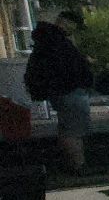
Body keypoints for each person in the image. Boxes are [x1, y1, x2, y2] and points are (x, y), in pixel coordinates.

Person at [25, 10, 96, 172]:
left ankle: (76, 164)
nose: (74, 30)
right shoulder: (56, 41)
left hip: (64, 90)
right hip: (69, 90)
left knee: (70, 128)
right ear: (66, 23)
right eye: (74, 26)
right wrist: (83, 69)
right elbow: (65, 67)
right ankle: (78, 165)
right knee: (73, 130)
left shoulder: (49, 40)